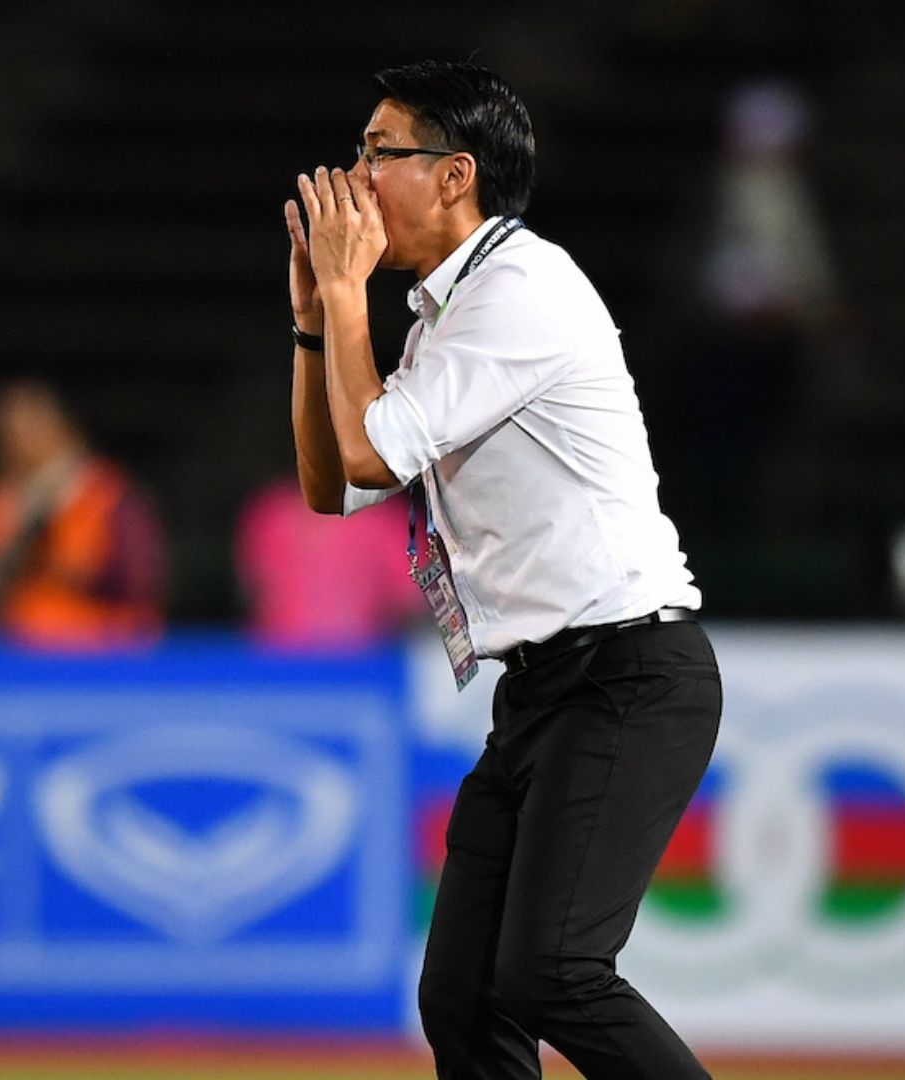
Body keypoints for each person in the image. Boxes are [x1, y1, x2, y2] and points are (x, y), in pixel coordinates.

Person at [286, 61, 720, 1080]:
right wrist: (314, 320)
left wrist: (348, 295)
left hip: (628, 676)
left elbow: (364, 455)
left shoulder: (521, 287)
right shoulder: (453, 306)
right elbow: (332, 487)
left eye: (377, 152)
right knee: (466, 997)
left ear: (454, 176)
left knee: (555, 970)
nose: (355, 180)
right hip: (545, 692)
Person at [0, 380, 167, 650]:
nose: (17, 439)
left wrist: (58, 561)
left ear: (60, 426)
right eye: (6, 431)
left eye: (31, 426)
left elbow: (142, 584)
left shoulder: (108, 495)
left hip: (99, 655)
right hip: (10, 655)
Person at [235, 476, 421, 650]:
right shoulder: (271, 515)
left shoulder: (387, 520)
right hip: (279, 669)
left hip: (364, 671)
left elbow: (416, 605)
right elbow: (253, 591)